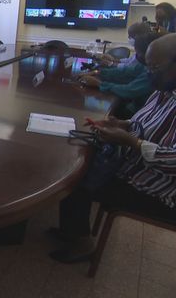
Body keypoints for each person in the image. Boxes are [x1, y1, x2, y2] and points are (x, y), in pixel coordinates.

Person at [49, 33, 176, 263]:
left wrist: (131, 141)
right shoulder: (164, 90)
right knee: (74, 155)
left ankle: (82, 243)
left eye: (154, 67)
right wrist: (122, 124)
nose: (148, 73)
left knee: (76, 177)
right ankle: (71, 229)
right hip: (133, 162)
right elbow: (141, 123)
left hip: (157, 190)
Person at [79, 32, 159, 117]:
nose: (137, 56)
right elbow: (125, 72)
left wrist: (99, 84)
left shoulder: (154, 72)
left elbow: (128, 91)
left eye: (139, 53)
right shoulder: (145, 64)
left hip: (136, 113)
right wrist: (99, 72)